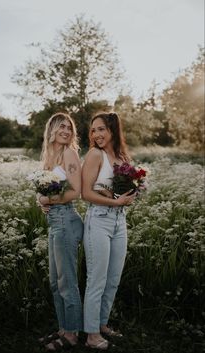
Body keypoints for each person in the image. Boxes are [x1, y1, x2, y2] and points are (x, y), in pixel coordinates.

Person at [81, 112, 136, 350]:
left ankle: (102, 324)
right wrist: (115, 202)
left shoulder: (122, 157)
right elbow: (86, 194)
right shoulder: (95, 154)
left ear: (113, 130)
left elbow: (122, 190)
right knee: (97, 280)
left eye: (101, 129)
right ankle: (91, 335)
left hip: (119, 221)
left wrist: (132, 193)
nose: (96, 134)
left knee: (113, 280)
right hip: (99, 220)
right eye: (94, 130)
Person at [37, 112, 83, 351]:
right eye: (61, 126)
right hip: (55, 222)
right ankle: (63, 328)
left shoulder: (69, 153)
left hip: (66, 220)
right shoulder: (50, 156)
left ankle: (73, 334)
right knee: (56, 283)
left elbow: (76, 191)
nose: (66, 130)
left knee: (67, 282)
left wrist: (49, 200)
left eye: (69, 127)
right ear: (52, 129)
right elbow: (45, 189)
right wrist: (41, 199)